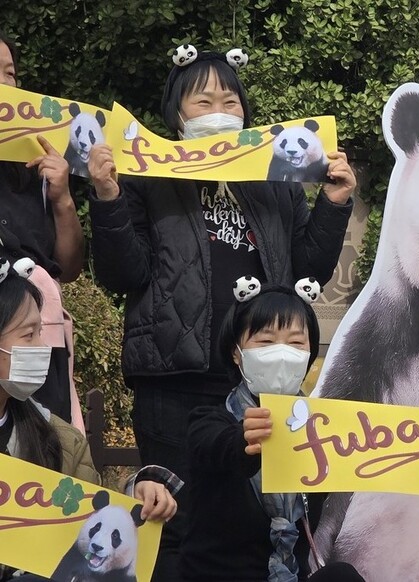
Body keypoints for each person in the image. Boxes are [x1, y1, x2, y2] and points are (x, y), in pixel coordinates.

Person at [85, 46, 356, 581]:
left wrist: (333, 203)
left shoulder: (275, 182)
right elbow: (123, 274)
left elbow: (308, 269)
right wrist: (108, 195)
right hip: (174, 382)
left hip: (258, 383)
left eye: (230, 102)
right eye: (203, 101)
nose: (219, 112)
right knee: (177, 522)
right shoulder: (146, 177)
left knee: (260, 521)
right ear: (177, 114)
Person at [184, 279, 419, 580]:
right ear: (236, 352)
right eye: (265, 342)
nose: (282, 354)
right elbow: (216, 447)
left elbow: (416, 458)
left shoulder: (327, 425)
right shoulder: (208, 420)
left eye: (295, 343)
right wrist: (245, 439)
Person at [0, 264, 180, 582]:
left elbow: (89, 520)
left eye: (41, 332)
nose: (43, 347)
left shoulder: (61, 441)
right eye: (28, 335)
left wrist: (137, 496)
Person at [0, 32, 85, 429]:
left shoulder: (35, 163)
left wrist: (62, 197)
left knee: (43, 446)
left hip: (36, 344)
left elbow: (68, 267)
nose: (4, 83)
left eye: (10, 73)